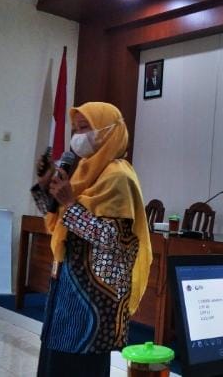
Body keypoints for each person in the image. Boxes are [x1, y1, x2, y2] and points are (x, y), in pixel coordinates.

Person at [30, 102, 151, 377]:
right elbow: (58, 223)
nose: (77, 136)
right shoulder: (83, 170)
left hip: (92, 297)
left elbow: (111, 238)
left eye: (85, 128)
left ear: (108, 131)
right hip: (67, 287)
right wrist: (46, 185)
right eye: (75, 129)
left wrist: (69, 202)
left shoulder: (118, 176)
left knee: (79, 365)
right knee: (55, 360)